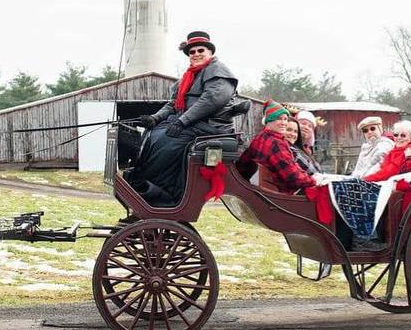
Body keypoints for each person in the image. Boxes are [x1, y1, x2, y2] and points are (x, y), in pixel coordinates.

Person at [127, 31, 239, 206]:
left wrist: (182, 121)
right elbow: (173, 105)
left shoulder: (218, 72)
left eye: (200, 50)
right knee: (152, 134)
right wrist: (154, 118)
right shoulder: (188, 77)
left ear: (210, 52)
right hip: (192, 125)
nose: (196, 54)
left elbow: (210, 101)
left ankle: (166, 194)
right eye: (192, 52)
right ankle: (145, 183)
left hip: (211, 128)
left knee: (167, 141)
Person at [238, 100, 320, 194]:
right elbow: (292, 177)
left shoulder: (259, 138)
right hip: (279, 195)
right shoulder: (276, 142)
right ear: (269, 120)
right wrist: (315, 181)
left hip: (260, 191)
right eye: (279, 119)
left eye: (285, 119)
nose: (283, 123)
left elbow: (242, 166)